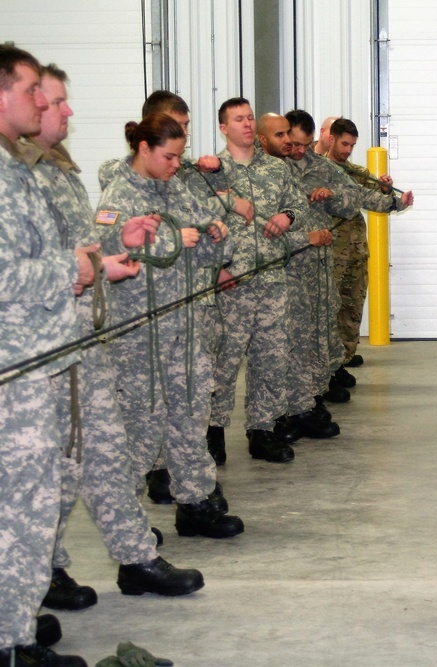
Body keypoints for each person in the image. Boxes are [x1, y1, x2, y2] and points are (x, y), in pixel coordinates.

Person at [29, 65, 205, 603]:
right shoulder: (24, 178)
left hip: (80, 341)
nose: (68, 112)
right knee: (46, 473)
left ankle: (136, 560)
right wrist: (86, 264)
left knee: (105, 453)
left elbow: (85, 247)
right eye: (55, 102)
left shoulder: (56, 171)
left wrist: (111, 245)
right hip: (38, 351)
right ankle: (42, 577)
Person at [97, 112, 243, 540]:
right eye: (169, 156)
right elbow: (107, 248)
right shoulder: (118, 194)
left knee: (190, 412)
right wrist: (179, 239)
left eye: (180, 156)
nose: (176, 164)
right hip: (140, 331)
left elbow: (215, 237)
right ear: (144, 149)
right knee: (141, 424)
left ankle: (195, 502)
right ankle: (128, 525)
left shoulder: (176, 186)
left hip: (184, 322)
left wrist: (215, 234)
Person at [0, 43, 88, 667]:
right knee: (22, 512)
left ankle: (12, 624)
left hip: (32, 361)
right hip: (14, 370)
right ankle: (11, 643)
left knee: (22, 508)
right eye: (33, 89)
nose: (43, 102)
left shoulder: (16, 169)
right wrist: (76, 266)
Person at [201, 98, 307, 463]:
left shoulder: (276, 170)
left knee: (271, 358)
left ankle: (262, 429)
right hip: (231, 284)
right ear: (223, 128)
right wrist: (216, 268)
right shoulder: (211, 173)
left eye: (250, 118)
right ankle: (213, 433)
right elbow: (198, 223)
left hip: (273, 280)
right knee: (223, 362)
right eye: (238, 119)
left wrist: (287, 218)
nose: (246, 124)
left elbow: (299, 205)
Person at [256, 111, 339, 440]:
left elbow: (295, 211)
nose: (288, 142)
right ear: (263, 139)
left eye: (289, 136)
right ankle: (273, 420)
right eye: (281, 136)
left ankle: (300, 406)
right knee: (274, 350)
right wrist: (307, 238)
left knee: (298, 343)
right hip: (269, 274)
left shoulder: (282, 170)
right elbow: (261, 232)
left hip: (297, 271)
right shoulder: (246, 174)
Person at [319, 117, 414, 383]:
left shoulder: (354, 171)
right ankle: (330, 367)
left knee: (353, 305)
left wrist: (386, 188)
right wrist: (393, 202)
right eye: (344, 143)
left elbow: (374, 190)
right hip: (332, 253)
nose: (348, 149)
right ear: (331, 139)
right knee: (331, 309)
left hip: (356, 250)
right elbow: (366, 197)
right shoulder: (321, 171)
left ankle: (345, 357)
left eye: (352, 145)